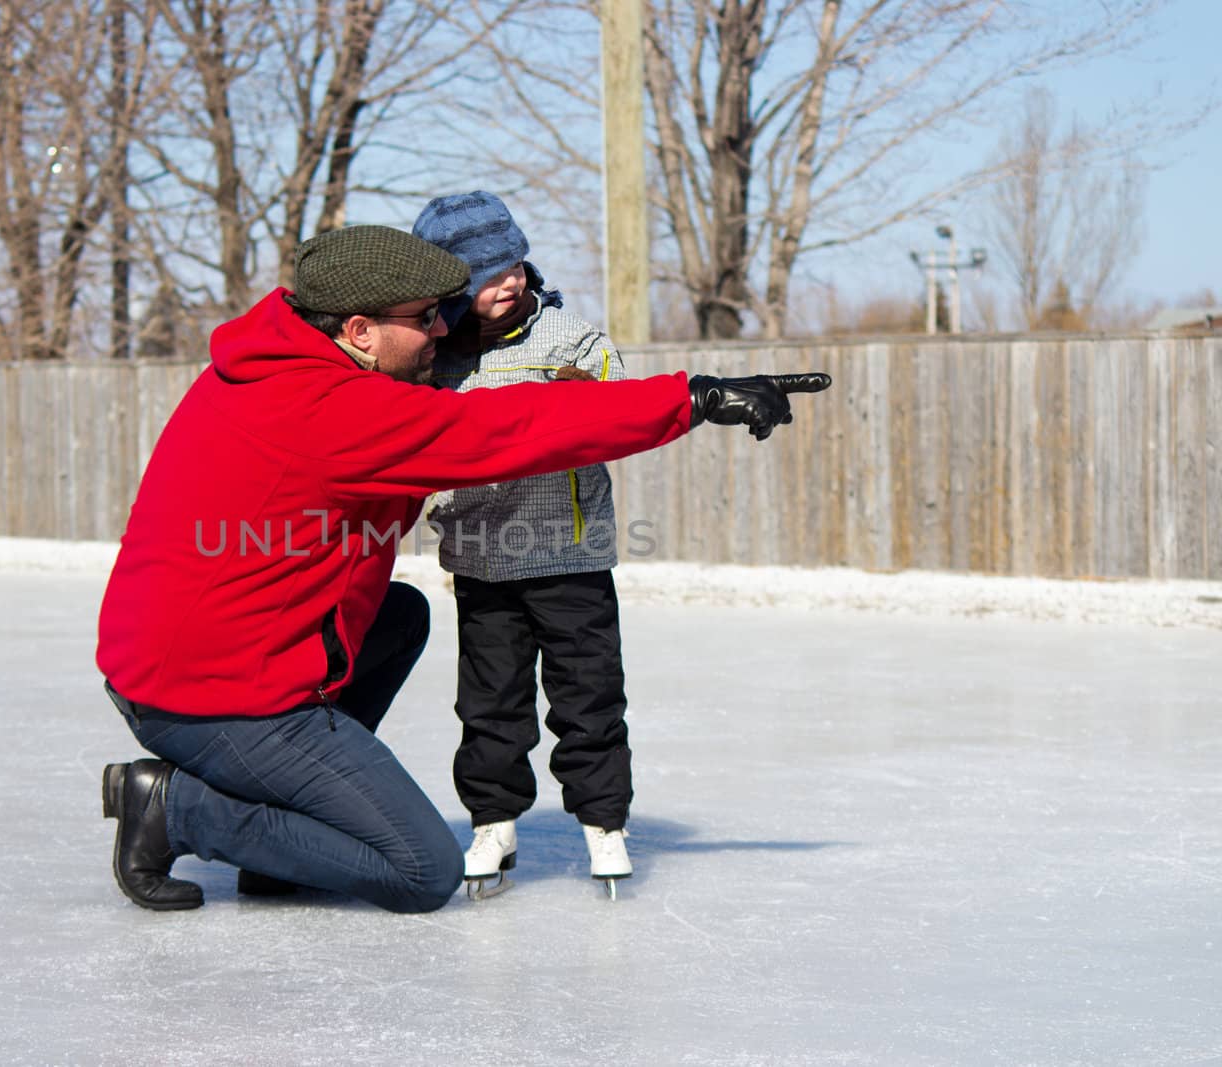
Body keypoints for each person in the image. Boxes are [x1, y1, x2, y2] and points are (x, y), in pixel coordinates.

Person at [96, 223, 830, 914]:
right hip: (214, 699)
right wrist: (689, 397)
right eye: (425, 317)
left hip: (192, 657)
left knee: (399, 615)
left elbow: (484, 413)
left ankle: (284, 842)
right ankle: (175, 807)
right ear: (358, 330)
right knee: (420, 868)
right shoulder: (332, 411)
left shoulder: (277, 363)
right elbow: (499, 431)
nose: (443, 330)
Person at [411, 190, 637, 900]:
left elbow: (619, 387)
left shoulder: (563, 332)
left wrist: (588, 390)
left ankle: (604, 823)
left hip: (569, 554)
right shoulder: (438, 357)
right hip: (483, 559)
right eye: (486, 273)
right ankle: (493, 819)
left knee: (588, 697)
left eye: (513, 263)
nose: (507, 281)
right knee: (490, 703)